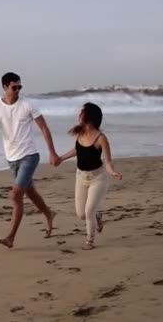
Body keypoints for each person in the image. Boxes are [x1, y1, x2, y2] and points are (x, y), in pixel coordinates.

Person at [0, 72, 58, 248]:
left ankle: (11, 237)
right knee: (29, 192)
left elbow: (44, 129)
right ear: (5, 87)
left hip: (29, 155)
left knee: (16, 194)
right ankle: (48, 213)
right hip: (12, 158)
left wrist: (52, 153)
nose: (17, 90)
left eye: (19, 87)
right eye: (14, 87)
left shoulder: (28, 105)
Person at [56, 102, 122, 250]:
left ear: (89, 116)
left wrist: (112, 172)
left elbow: (108, 161)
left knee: (88, 211)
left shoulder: (101, 138)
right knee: (81, 214)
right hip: (81, 177)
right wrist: (61, 158)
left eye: (82, 112)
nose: (79, 114)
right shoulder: (79, 133)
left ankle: (89, 241)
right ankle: (98, 216)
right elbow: (77, 150)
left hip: (97, 178)